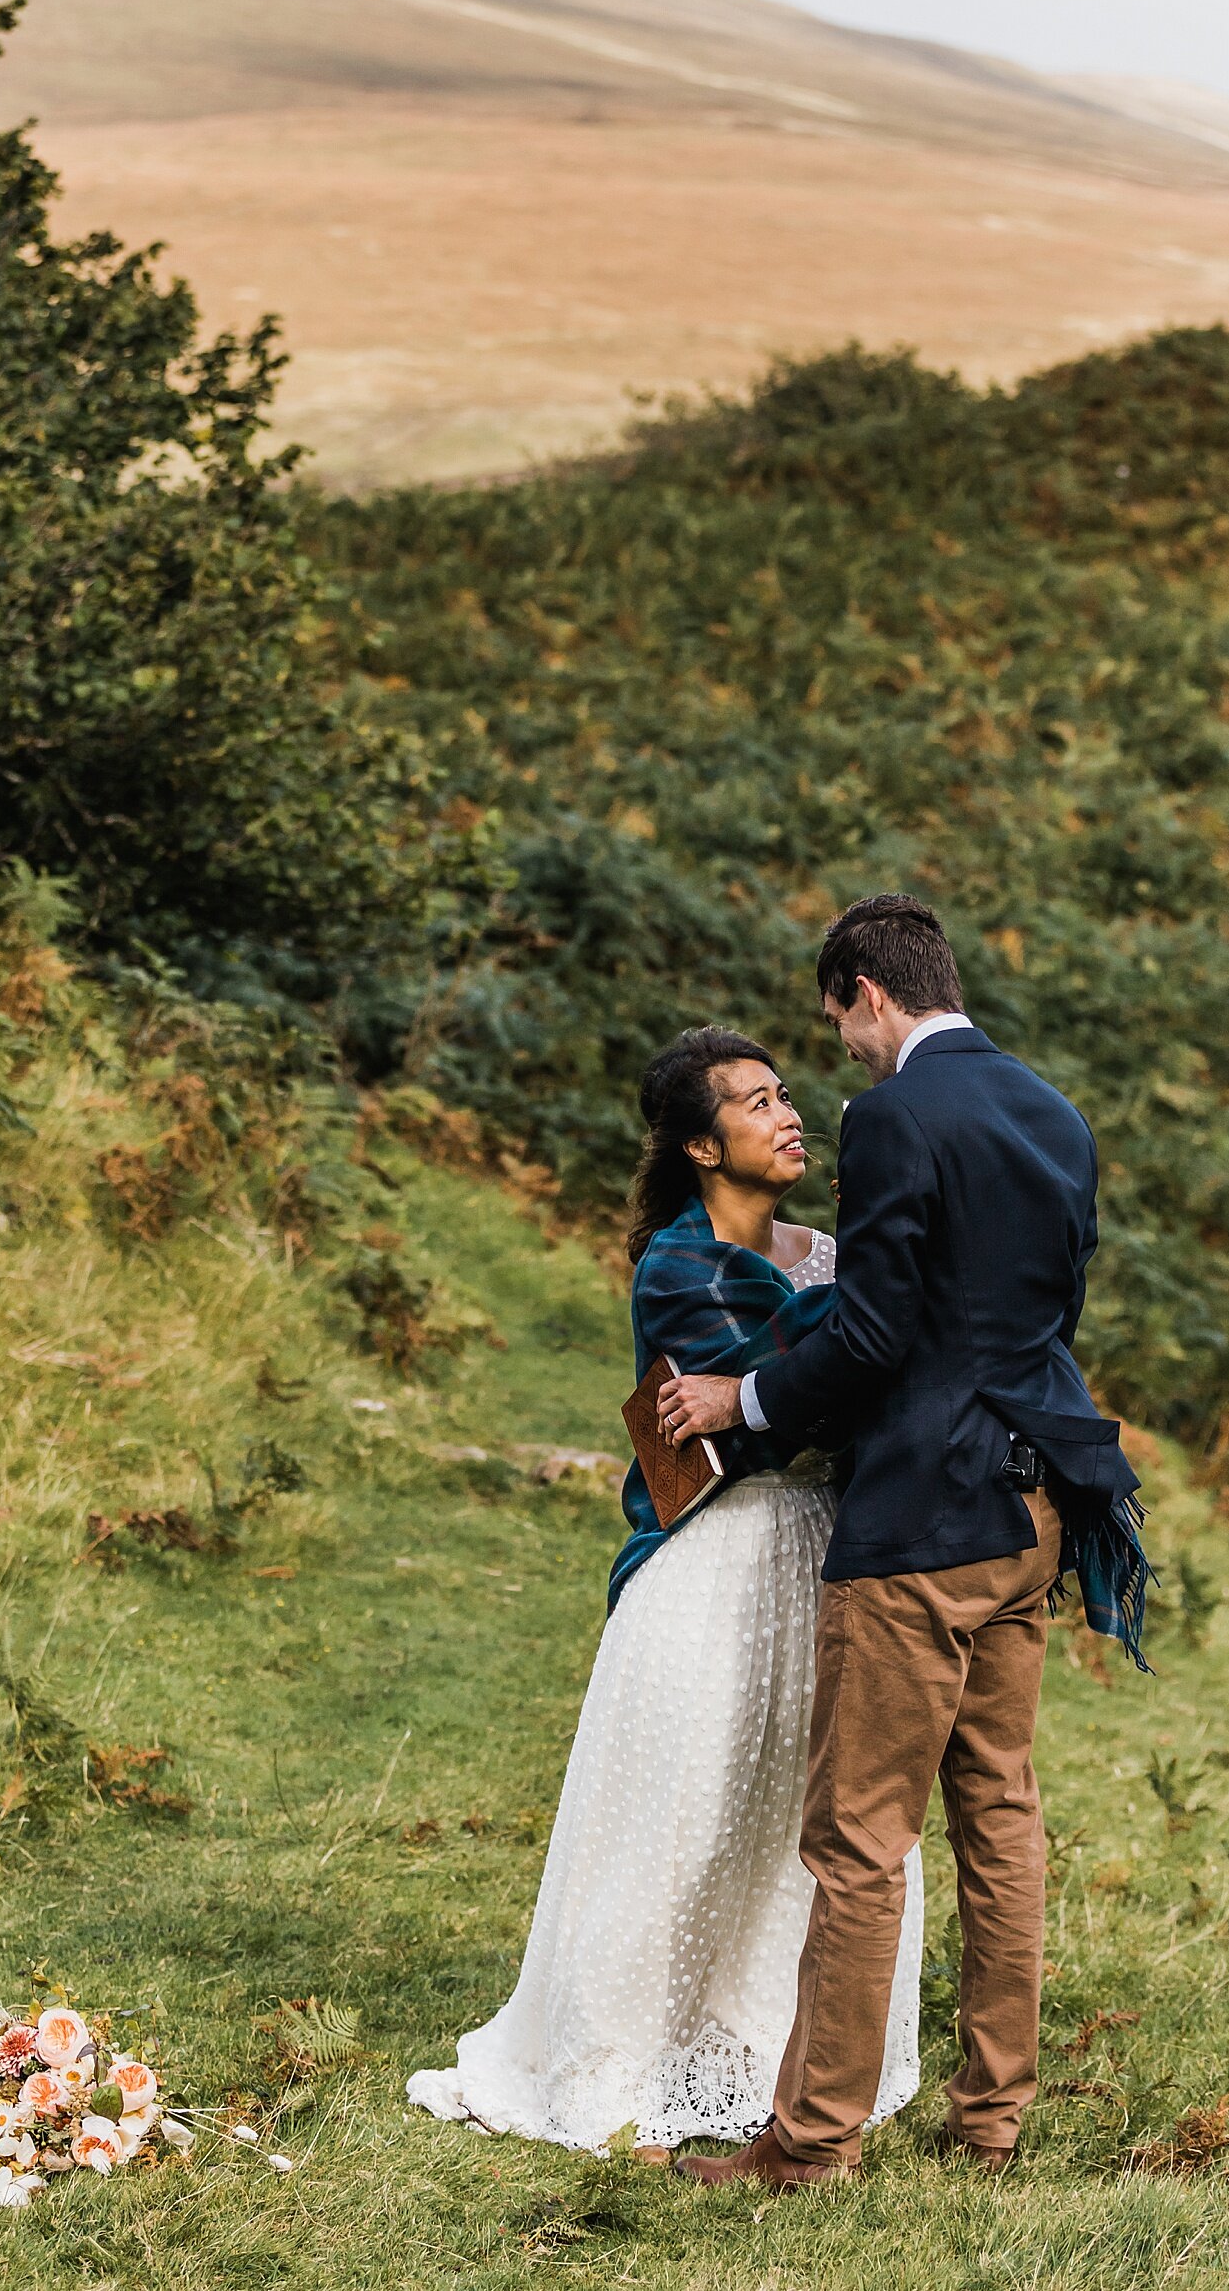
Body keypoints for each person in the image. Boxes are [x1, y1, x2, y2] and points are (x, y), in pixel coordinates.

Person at [659, 895, 1148, 2191]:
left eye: (842, 1028)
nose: (849, 1060)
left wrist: (746, 1399)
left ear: (869, 992)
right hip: (1034, 1503)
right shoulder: (1056, 1112)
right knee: (1000, 1812)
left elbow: (876, 1337)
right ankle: (993, 2121)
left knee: (861, 1840)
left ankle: (809, 2144)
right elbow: (1027, 1309)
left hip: (925, 1519)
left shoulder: (894, 1119)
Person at [406, 1025, 923, 2154]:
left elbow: (812, 1394)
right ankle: (611, 2071)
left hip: (830, 1556)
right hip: (718, 1562)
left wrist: (812, 1352)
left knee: (797, 1822)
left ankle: (773, 2051)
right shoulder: (677, 1266)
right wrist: (866, 1305)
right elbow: (778, 1415)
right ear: (700, 1142)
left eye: (787, 1094)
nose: (788, 1114)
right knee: (683, 1816)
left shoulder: (833, 1252)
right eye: (754, 1103)